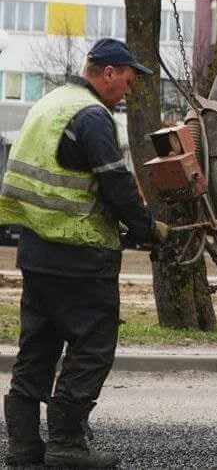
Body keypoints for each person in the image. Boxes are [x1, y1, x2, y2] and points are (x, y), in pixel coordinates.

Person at [0, 39, 170, 468]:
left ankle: (23, 448)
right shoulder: (92, 116)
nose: (127, 91)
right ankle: (67, 446)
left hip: (37, 251)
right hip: (80, 255)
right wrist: (147, 229)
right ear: (108, 72)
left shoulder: (51, 101)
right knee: (91, 350)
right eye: (127, 82)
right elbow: (115, 184)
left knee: (37, 349)